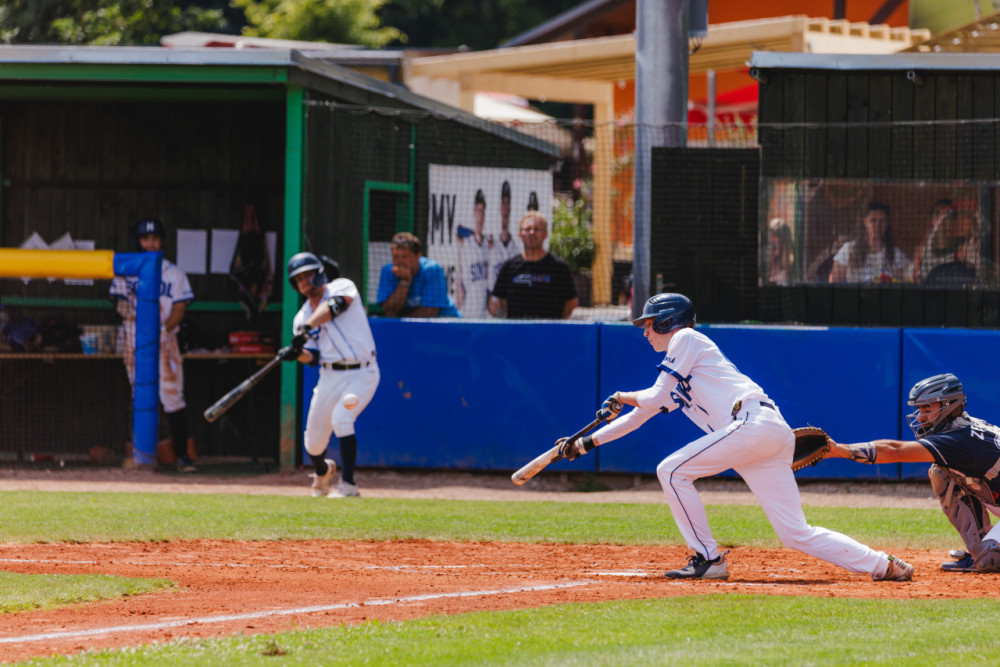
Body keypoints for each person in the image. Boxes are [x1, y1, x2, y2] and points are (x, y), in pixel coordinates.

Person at [556, 292, 913, 581]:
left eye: (648, 324)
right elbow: (637, 418)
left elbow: (647, 398)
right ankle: (882, 564)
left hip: (751, 424)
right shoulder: (679, 366)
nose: (645, 332)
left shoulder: (686, 338)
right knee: (795, 533)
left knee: (671, 470)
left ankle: (709, 558)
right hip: (763, 437)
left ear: (667, 321)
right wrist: (584, 444)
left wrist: (619, 394)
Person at [826, 373, 1000, 573]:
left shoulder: (957, 439)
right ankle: (981, 547)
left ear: (949, 405)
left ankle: (986, 551)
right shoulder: (963, 426)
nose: (921, 416)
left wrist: (840, 450)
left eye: (927, 408)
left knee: (990, 560)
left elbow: (894, 451)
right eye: (919, 409)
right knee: (941, 473)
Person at [280, 252, 380, 498]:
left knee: (342, 418)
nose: (304, 281)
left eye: (308, 275)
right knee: (312, 443)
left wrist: (306, 329)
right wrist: (297, 353)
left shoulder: (342, 286)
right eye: (298, 278)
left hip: (363, 372)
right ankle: (324, 471)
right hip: (330, 376)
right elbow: (313, 358)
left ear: (320, 273)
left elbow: (334, 307)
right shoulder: (301, 317)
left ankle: (348, 485)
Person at [110, 217, 197, 473]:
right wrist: (130, 314)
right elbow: (118, 302)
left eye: (155, 238)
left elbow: (179, 308)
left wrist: (160, 329)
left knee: (173, 398)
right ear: (138, 241)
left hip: (164, 340)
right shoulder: (126, 269)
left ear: (162, 241)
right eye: (146, 238)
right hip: (133, 340)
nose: (151, 243)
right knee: (139, 396)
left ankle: (183, 456)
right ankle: (139, 456)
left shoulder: (174, 273)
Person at [489, 213, 578, 319]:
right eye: (527, 229)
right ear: (520, 234)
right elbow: (501, 302)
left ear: (545, 234)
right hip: (518, 332)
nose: (532, 233)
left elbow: (571, 303)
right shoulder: (509, 267)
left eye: (537, 229)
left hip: (548, 332)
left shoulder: (559, 267)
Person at [377, 232, 461, 318]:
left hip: (446, 322)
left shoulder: (432, 270)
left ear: (418, 256)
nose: (399, 262)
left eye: (404, 256)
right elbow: (390, 311)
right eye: (395, 257)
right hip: (407, 326)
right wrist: (405, 282)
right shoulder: (388, 271)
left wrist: (401, 325)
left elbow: (430, 312)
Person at [828, 201, 912, 284]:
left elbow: (906, 281)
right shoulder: (848, 250)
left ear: (887, 224)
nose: (877, 226)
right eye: (873, 220)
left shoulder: (896, 254)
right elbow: (834, 282)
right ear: (865, 222)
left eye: (882, 221)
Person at [455, 189, 492, 318]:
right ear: (473, 213)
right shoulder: (466, 244)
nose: (480, 216)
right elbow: (460, 281)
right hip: (468, 314)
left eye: (483, 212)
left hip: (485, 317)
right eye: (478, 211)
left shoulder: (489, 244)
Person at [913, 199, 959, 282]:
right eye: (937, 213)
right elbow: (917, 275)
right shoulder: (922, 248)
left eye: (945, 213)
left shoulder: (959, 245)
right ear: (932, 220)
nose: (941, 216)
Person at [490, 181, 521, 298]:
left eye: (508, 204)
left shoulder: (517, 249)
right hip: (493, 305)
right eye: (503, 203)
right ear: (499, 207)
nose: (505, 208)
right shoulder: (490, 245)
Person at [767, 218, 794, 285]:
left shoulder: (790, 271)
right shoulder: (764, 266)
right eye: (770, 245)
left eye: (775, 247)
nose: (772, 252)